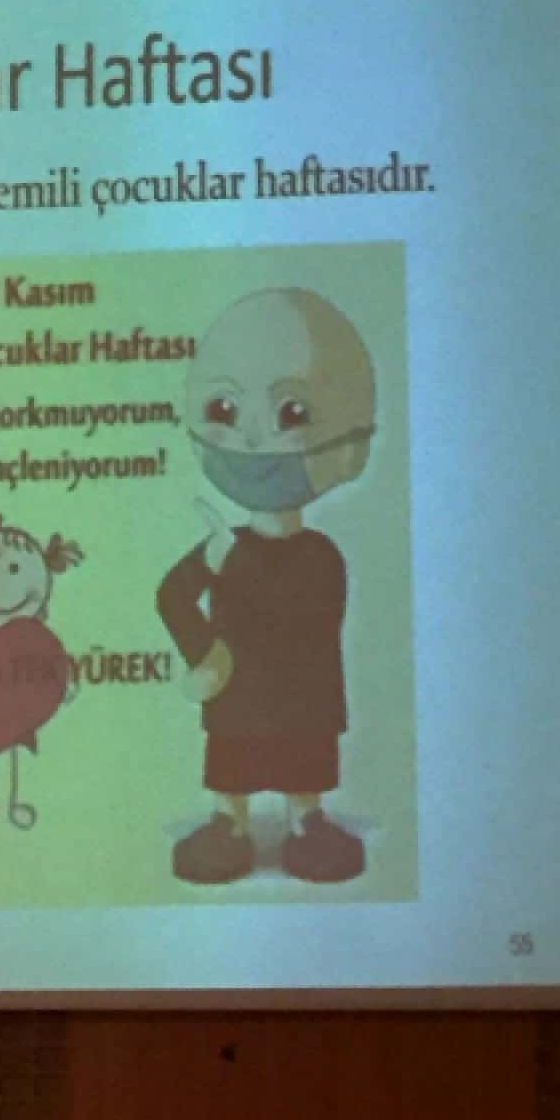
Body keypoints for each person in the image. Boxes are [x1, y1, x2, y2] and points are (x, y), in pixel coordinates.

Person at [157, 287, 376, 884]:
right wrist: (206, 654)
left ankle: (307, 819)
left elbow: (309, 617)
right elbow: (171, 597)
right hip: (237, 697)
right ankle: (229, 821)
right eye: (225, 409)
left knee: (304, 759)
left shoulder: (321, 557)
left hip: (303, 698)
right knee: (234, 760)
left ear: (352, 449)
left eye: (292, 413)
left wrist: (236, 564)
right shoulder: (220, 546)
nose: (253, 440)